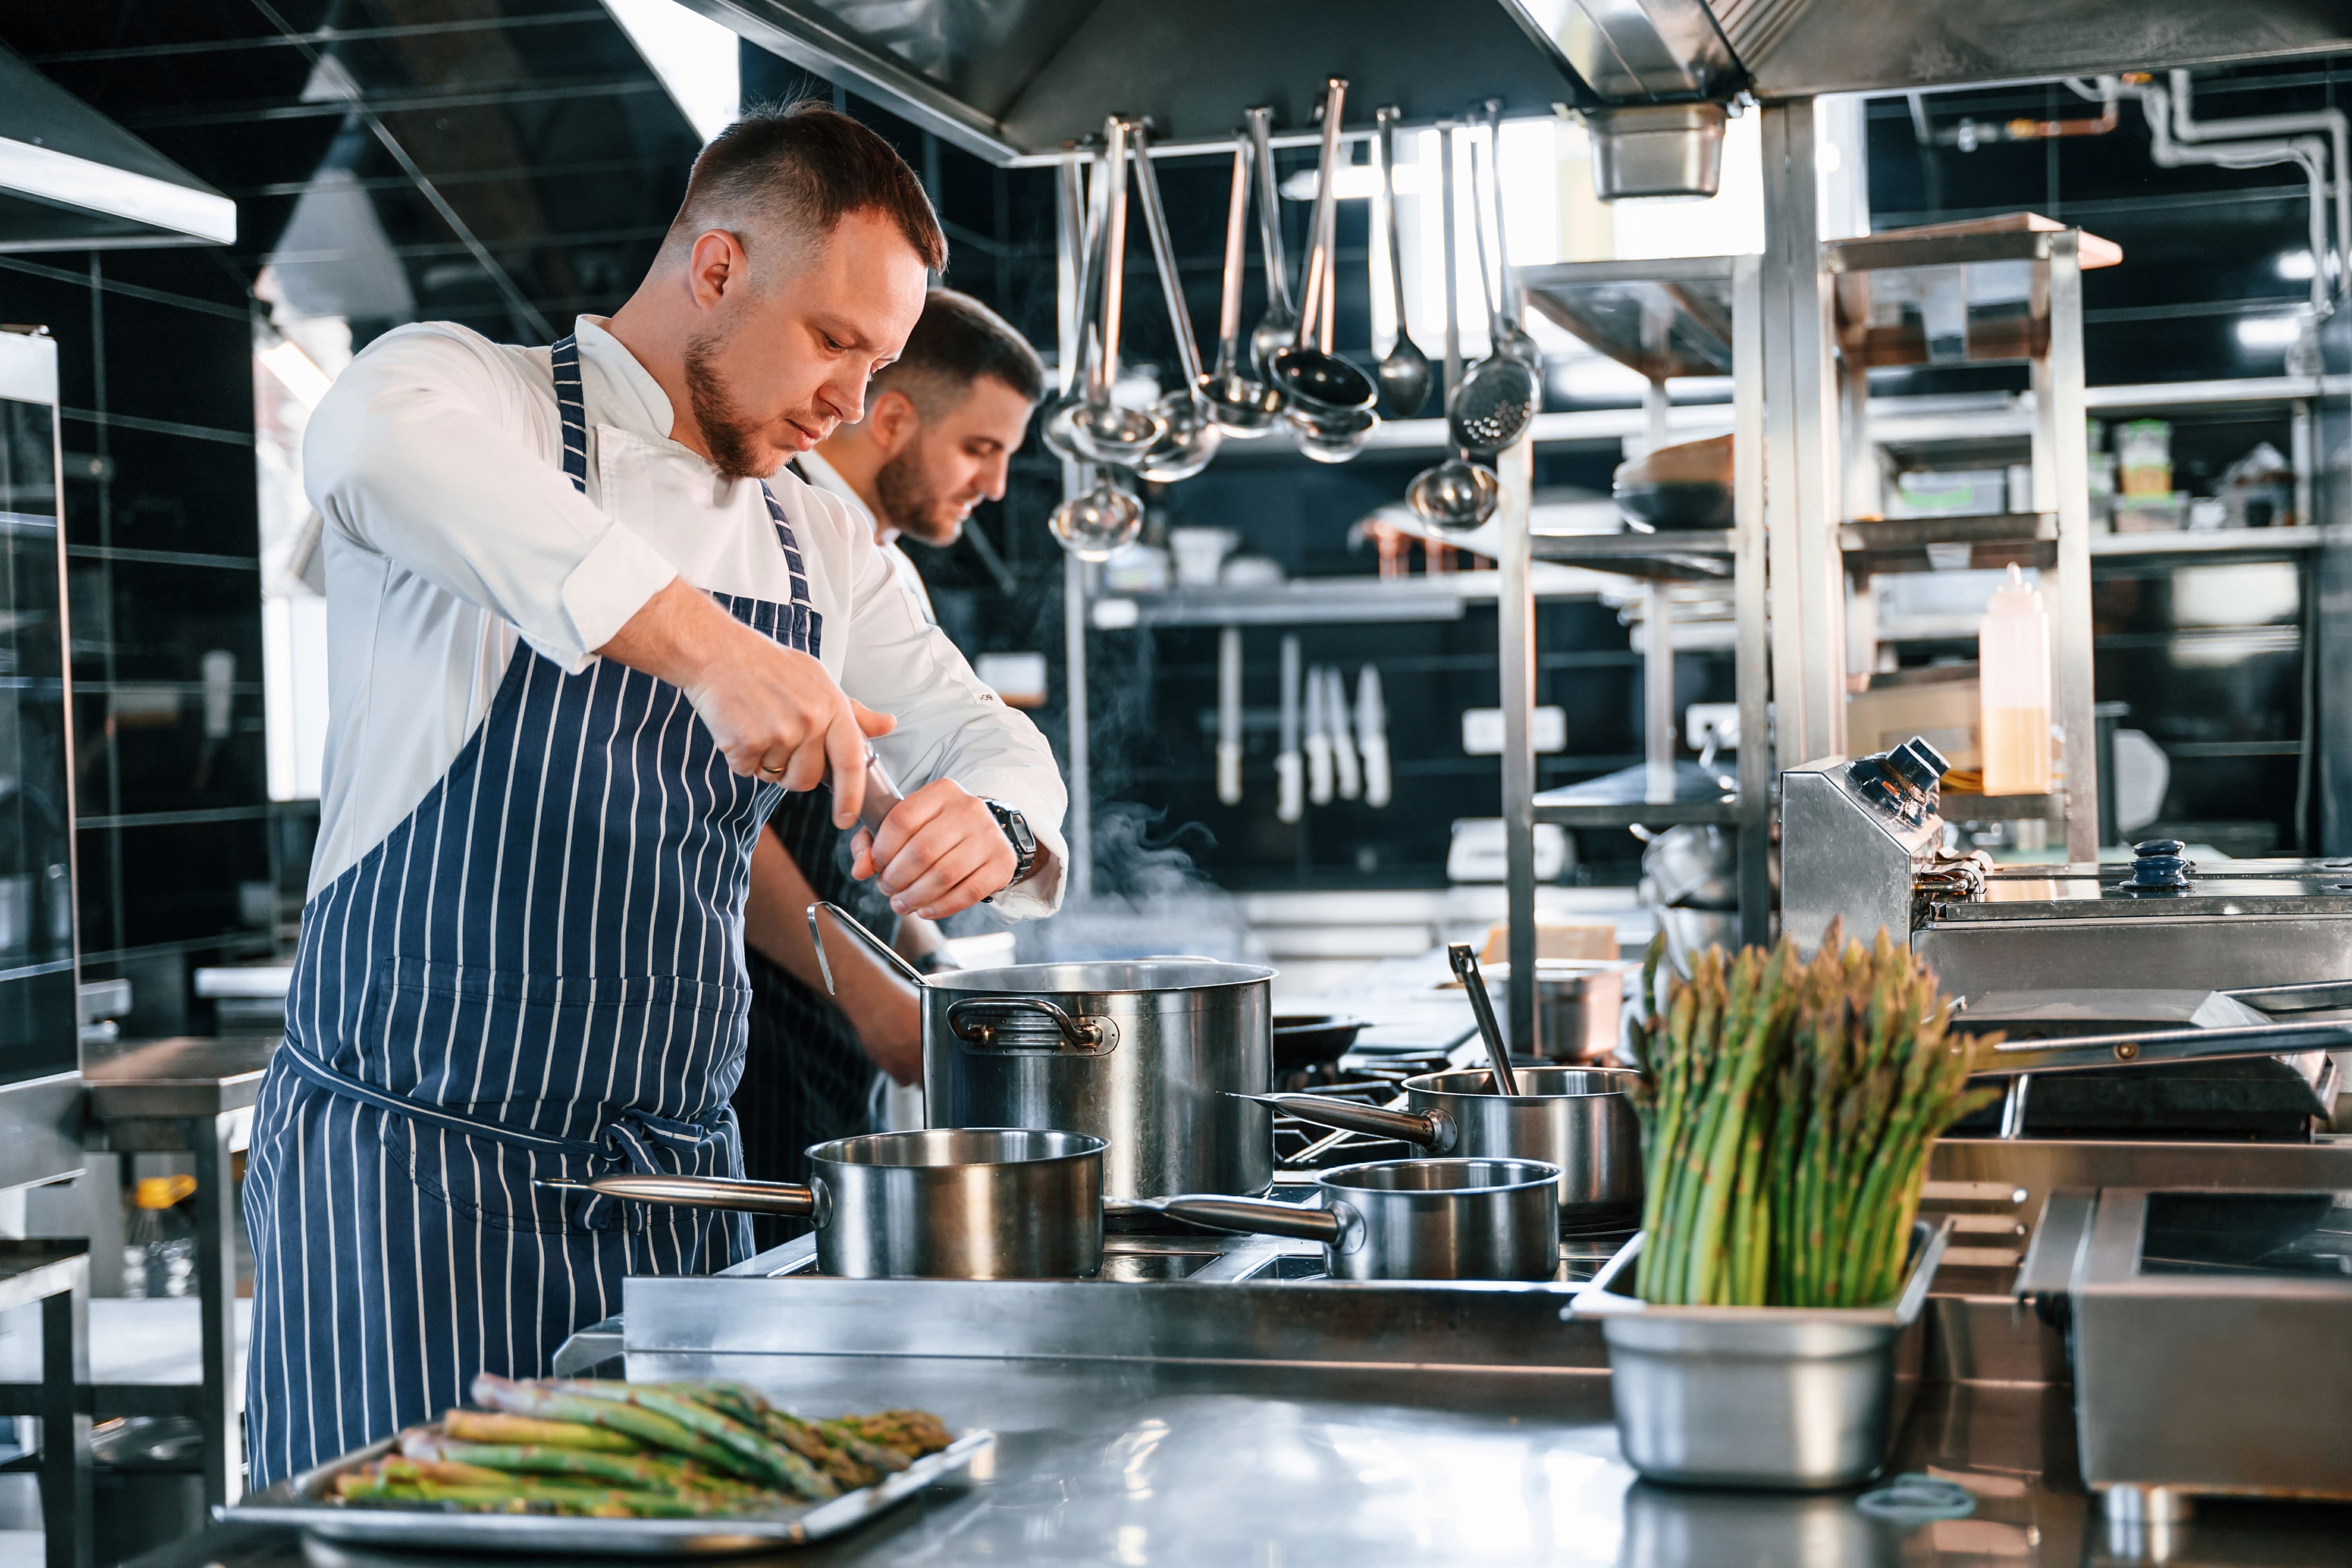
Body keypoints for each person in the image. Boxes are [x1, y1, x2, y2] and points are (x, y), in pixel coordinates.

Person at [238, 102, 1066, 1488]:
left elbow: (986, 741)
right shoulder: (471, 394)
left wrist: (994, 822)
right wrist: (708, 653)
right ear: (721, 268)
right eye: (832, 342)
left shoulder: (815, 530)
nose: (852, 407)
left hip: (683, 1195)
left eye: (874, 362)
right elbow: (368, 444)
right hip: (419, 1193)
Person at [732, 289, 1044, 1248]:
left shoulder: (867, 557)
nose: (993, 488)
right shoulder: (767, 529)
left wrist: (928, 961)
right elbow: (723, 813)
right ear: (896, 418)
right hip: (767, 1005)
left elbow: (863, 788)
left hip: (839, 991)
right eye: (980, 450)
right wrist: (874, 999)